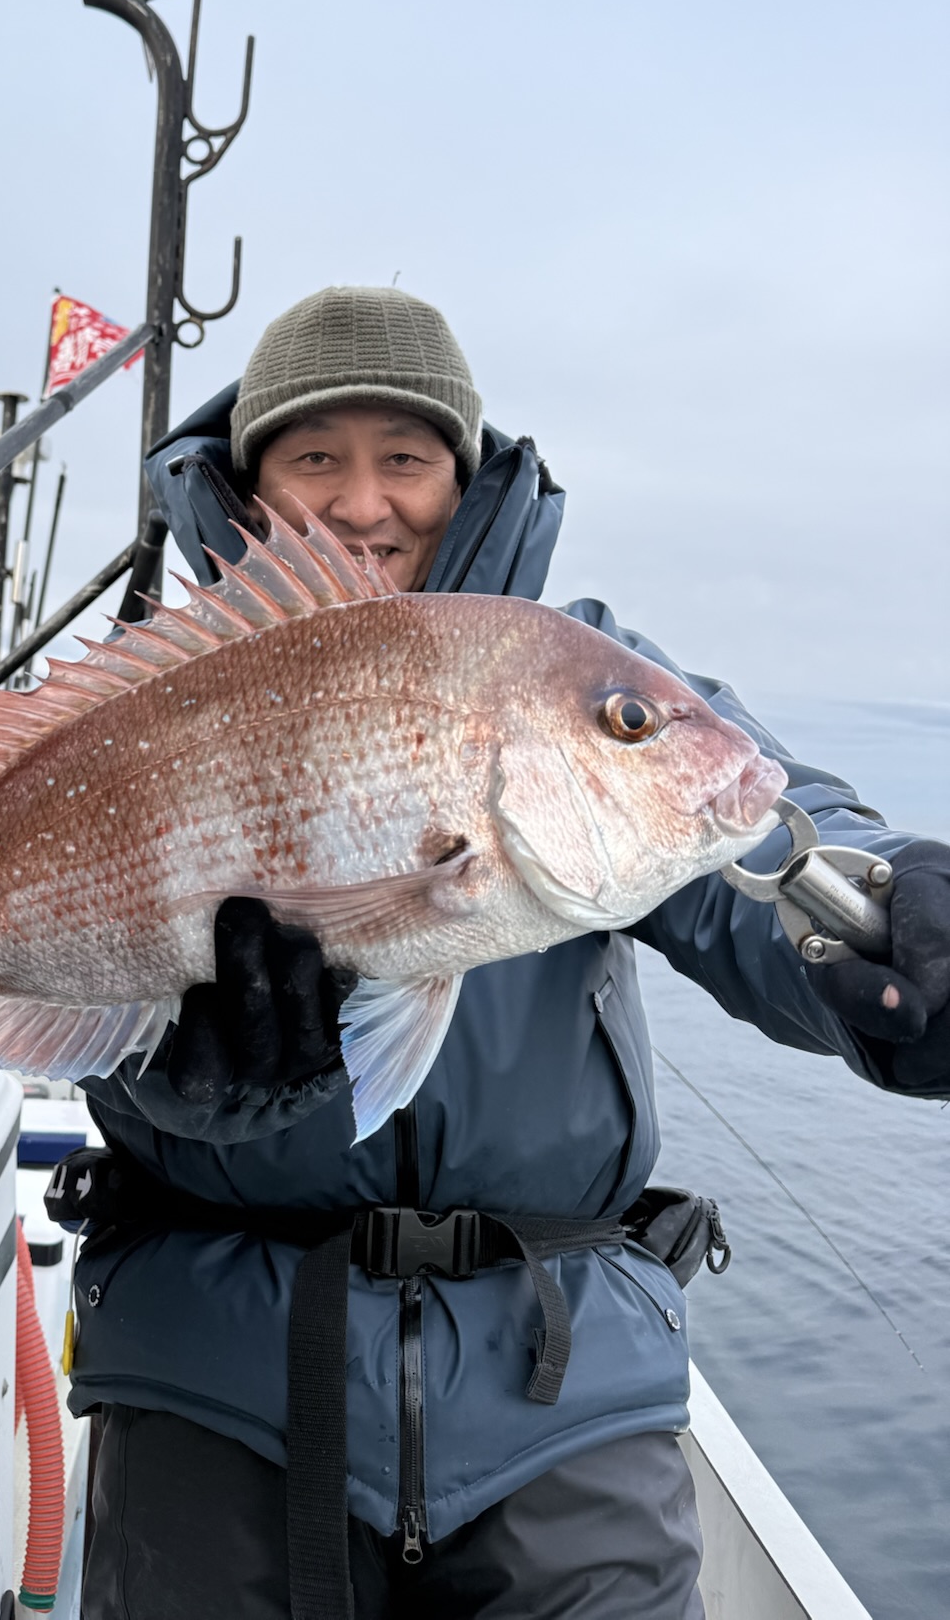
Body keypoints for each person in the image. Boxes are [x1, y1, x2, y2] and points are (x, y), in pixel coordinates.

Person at [60, 286, 950, 1620]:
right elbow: (53, 949)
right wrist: (174, 1086)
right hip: (216, 1377)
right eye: (315, 457)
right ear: (249, 491)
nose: (363, 502)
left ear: (467, 479)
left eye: (407, 458)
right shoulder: (153, 692)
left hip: (561, 1387)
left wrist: (883, 926)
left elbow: (761, 829)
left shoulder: (583, 675)